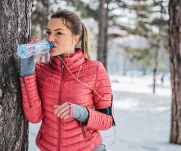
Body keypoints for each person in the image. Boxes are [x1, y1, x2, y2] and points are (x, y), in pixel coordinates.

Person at [19, 10, 115, 151]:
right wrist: (27, 68)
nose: (50, 38)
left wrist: (79, 111)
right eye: (48, 32)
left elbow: (107, 121)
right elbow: (34, 117)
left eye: (59, 33)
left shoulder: (95, 69)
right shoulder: (40, 70)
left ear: (75, 39)